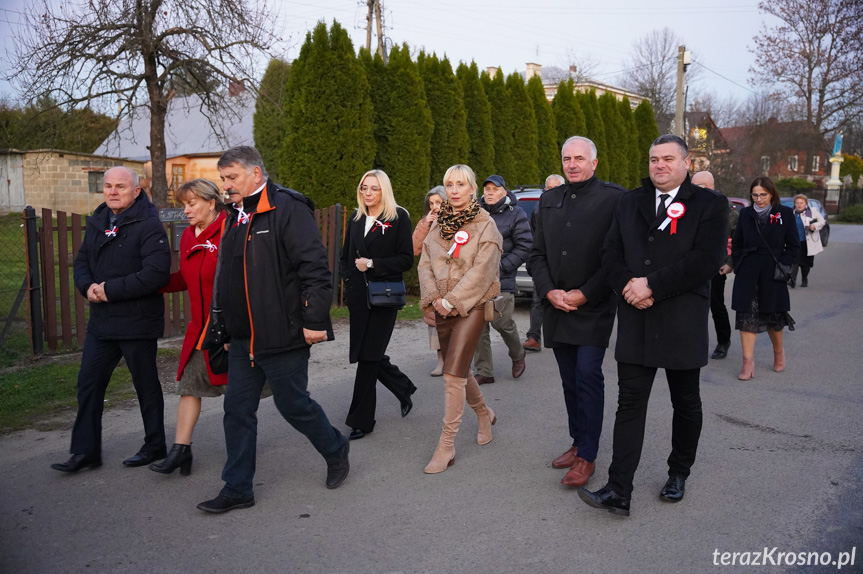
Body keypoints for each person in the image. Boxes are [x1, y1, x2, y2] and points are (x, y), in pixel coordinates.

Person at [578, 135, 728, 516]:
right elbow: (610, 251)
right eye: (653, 159)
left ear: (686, 163)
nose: (659, 165)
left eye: (668, 159)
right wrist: (630, 285)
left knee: (686, 402)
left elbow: (706, 259)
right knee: (629, 405)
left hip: (681, 320)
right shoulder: (630, 202)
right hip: (636, 317)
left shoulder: (709, 204)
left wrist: (652, 286)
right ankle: (618, 489)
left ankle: (678, 473)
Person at [197, 146, 349, 514]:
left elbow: (314, 268)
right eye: (223, 179)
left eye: (232, 178)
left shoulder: (287, 208)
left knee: (293, 404)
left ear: (256, 174)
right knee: (236, 410)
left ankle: (334, 448)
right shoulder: (234, 215)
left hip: (283, 333)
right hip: (242, 339)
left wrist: (314, 322)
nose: (226, 186)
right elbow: (228, 276)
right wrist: (222, 325)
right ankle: (237, 489)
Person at [52, 167, 171, 473]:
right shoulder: (98, 220)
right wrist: (87, 286)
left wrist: (109, 290)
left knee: (145, 385)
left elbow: (155, 274)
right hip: (102, 323)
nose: (113, 191)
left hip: (137, 320)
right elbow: (81, 261)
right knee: (88, 385)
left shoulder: (149, 224)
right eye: (108, 186)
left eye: (120, 186)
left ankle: (155, 444)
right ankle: (85, 452)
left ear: (136, 190)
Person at [529, 137, 624, 488]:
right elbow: (536, 253)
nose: (572, 164)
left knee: (587, 375)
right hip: (557, 305)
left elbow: (617, 256)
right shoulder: (549, 199)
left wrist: (585, 293)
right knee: (570, 380)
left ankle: (588, 456)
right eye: (567, 158)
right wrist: (548, 290)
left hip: (594, 306)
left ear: (594, 163)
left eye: (579, 158)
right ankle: (576, 441)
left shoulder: (614, 199)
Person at [418, 164, 503, 474]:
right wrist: (434, 299)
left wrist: (453, 301)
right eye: (449, 184)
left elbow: (483, 272)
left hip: (472, 306)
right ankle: (484, 413)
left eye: (460, 184)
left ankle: (447, 444)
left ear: (472, 189)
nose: (453, 190)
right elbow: (425, 263)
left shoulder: (486, 226)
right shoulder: (437, 225)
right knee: (460, 368)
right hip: (441, 306)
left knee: (452, 375)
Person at [151, 179, 234, 475]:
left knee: (238, 398)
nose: (186, 210)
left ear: (212, 203)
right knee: (189, 387)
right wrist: (150, 283)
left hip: (228, 334)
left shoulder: (231, 231)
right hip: (200, 332)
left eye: (191, 203)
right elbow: (187, 278)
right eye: (183, 204)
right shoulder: (188, 236)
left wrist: (235, 331)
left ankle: (240, 458)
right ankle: (180, 451)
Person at [341, 170, 416, 440]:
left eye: (374, 188)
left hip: (384, 297)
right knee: (367, 353)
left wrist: (373, 264)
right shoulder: (356, 218)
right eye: (364, 188)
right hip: (360, 300)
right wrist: (349, 279)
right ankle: (402, 386)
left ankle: (361, 420)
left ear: (384, 190)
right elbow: (346, 256)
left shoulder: (398, 218)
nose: (368, 193)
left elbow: (407, 259)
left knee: (368, 357)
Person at [730, 177, 798, 380]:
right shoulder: (746, 214)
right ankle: (747, 362)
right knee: (746, 316)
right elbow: (738, 242)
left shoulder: (784, 213)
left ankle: (778, 351)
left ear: (771, 194)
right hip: (748, 270)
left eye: (763, 195)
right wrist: (738, 263)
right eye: (755, 195)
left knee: (773, 317)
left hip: (772, 271)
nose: (758, 199)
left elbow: (793, 245)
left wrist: (783, 265)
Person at [472, 174, 531, 385]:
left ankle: (518, 355)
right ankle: (485, 371)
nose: (489, 192)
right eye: (487, 189)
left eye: (494, 189)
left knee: (502, 322)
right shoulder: (474, 212)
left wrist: (502, 267)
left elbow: (525, 245)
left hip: (502, 279)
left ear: (504, 192)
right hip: (476, 280)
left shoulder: (516, 214)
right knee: (478, 326)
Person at [691, 171, 738, 360]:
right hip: (690, 265)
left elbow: (737, 238)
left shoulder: (725, 209)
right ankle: (689, 342)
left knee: (716, 304)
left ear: (709, 186)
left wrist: (729, 264)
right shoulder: (687, 205)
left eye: (697, 186)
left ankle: (723, 341)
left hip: (715, 266)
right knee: (689, 305)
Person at [523, 173, 565, 352]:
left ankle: (565, 337)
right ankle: (533, 337)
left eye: (556, 188)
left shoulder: (572, 207)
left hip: (566, 264)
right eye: (548, 189)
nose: (552, 192)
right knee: (538, 299)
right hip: (544, 263)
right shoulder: (538, 209)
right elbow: (534, 238)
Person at [412, 186, 448, 376]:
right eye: (431, 203)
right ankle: (441, 360)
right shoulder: (426, 222)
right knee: (434, 320)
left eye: (438, 203)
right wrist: (426, 224)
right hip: (431, 280)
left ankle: (459, 360)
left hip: (452, 279)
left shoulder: (458, 220)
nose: (434, 207)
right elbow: (414, 248)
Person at [790, 194, 825, 288]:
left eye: (801, 203)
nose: (799, 205)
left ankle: (804, 279)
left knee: (805, 263)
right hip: (794, 241)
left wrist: (815, 226)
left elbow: (822, 221)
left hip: (807, 241)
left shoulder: (812, 212)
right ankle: (792, 280)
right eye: (797, 203)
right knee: (794, 261)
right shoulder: (791, 213)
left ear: (805, 203)